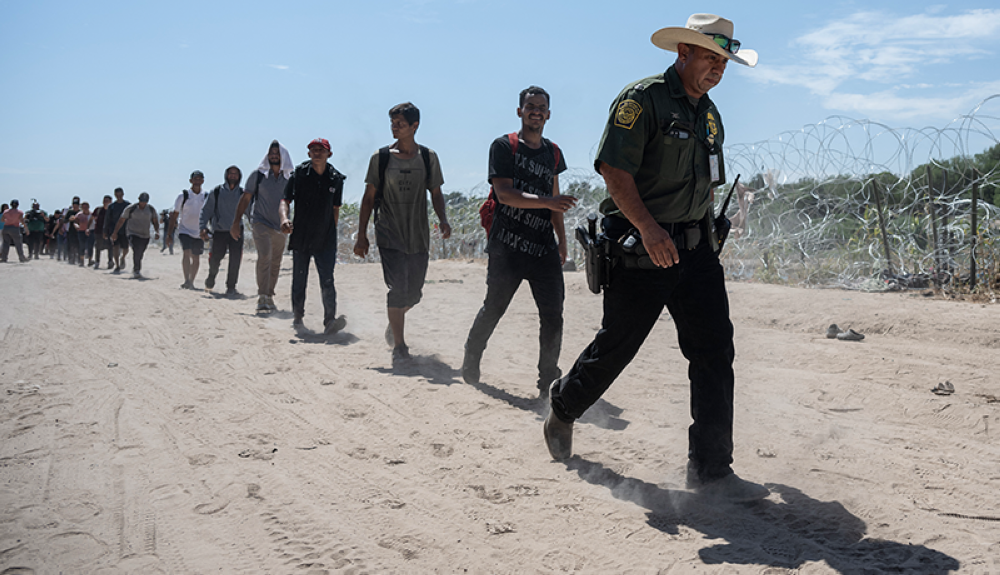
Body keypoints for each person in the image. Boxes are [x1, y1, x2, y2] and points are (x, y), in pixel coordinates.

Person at [544, 14, 769, 502]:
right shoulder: (642, 100)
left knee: (714, 352)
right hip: (641, 250)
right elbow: (614, 171)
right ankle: (564, 405)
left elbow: (704, 183)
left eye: (724, 62)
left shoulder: (709, 115)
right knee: (618, 347)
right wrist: (648, 229)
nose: (718, 69)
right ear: (683, 53)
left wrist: (711, 228)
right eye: (711, 58)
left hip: (696, 252)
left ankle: (711, 469)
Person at [460, 87, 576, 395]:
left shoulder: (553, 153)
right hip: (507, 247)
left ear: (548, 114)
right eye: (530, 106)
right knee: (494, 307)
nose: (535, 111)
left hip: (543, 249)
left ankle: (547, 380)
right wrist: (549, 203)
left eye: (541, 107)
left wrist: (562, 241)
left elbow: (555, 200)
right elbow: (505, 194)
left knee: (553, 316)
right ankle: (471, 360)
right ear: (519, 111)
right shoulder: (503, 146)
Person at [354, 103, 451, 361]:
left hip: (418, 234)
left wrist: (443, 220)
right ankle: (399, 345)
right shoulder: (381, 158)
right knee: (397, 287)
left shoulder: (428, 158)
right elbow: (368, 198)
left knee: (415, 293)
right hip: (389, 232)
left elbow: (437, 193)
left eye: (400, 124)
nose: (394, 127)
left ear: (414, 126)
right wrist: (361, 235)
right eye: (392, 123)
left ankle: (394, 320)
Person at [281, 138, 347, 334]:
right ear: (308, 154)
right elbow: (285, 200)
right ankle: (298, 317)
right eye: (313, 150)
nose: (317, 153)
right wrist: (284, 219)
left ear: (329, 154)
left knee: (327, 279)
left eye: (321, 150)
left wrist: (332, 231)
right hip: (301, 235)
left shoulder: (335, 178)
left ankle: (329, 321)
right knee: (299, 278)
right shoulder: (299, 175)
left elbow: (336, 209)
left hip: (325, 238)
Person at [232, 140, 293, 313]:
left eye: (277, 153)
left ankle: (269, 295)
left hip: (281, 225)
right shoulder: (258, 175)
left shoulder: (290, 177)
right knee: (265, 255)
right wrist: (236, 222)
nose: (274, 156)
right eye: (271, 153)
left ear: (283, 157)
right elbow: (245, 199)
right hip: (260, 222)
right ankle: (261, 296)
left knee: (276, 261)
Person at [200, 166, 245, 296]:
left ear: (239, 176)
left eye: (235, 174)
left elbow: (250, 211)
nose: (233, 176)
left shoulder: (243, 193)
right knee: (215, 258)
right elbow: (206, 210)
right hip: (220, 230)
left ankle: (231, 287)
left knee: (235, 260)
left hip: (237, 231)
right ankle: (211, 278)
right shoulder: (217, 192)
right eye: (230, 173)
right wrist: (202, 226)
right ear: (226, 175)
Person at [169, 171, 208, 289]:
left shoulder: (206, 196)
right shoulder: (183, 195)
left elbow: (210, 214)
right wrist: (169, 234)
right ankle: (186, 280)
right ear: (190, 181)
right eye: (195, 179)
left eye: (200, 179)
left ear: (203, 181)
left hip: (199, 231)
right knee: (186, 253)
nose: (197, 181)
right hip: (185, 230)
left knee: (196, 257)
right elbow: (175, 215)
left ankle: (191, 280)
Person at [111, 192, 159, 279]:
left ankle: (136, 267)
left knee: (140, 252)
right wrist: (115, 232)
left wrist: (157, 231)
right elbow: (121, 220)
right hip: (133, 233)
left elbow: (155, 221)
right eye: (141, 201)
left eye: (145, 201)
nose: (143, 203)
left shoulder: (150, 209)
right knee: (136, 249)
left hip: (145, 234)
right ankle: (137, 270)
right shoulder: (131, 208)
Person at [104, 188, 131, 272]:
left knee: (126, 248)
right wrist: (105, 231)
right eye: (117, 195)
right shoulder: (111, 206)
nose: (119, 196)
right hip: (114, 230)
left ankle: (123, 257)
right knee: (115, 247)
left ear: (123, 194)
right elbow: (107, 219)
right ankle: (117, 265)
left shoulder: (128, 205)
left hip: (125, 229)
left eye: (120, 195)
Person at [91, 195, 113, 268]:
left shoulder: (112, 210)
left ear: (111, 202)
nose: (105, 202)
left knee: (110, 247)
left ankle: (110, 261)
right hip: (98, 231)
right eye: (104, 200)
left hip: (109, 231)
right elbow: (93, 218)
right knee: (98, 246)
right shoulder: (98, 209)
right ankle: (97, 262)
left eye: (107, 201)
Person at [63, 197, 82, 265]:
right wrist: (69, 220)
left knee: (79, 245)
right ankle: (71, 258)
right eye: (74, 204)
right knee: (71, 245)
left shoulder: (81, 211)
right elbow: (64, 220)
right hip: (71, 230)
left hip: (80, 230)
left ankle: (80, 259)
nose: (75, 206)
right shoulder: (70, 211)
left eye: (76, 205)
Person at [76, 202, 94, 266]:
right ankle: (82, 261)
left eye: (86, 207)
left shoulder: (92, 214)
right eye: (83, 207)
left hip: (90, 231)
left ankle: (90, 260)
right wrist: (77, 226)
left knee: (90, 246)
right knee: (82, 246)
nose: (85, 208)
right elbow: (75, 222)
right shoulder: (79, 215)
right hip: (81, 231)